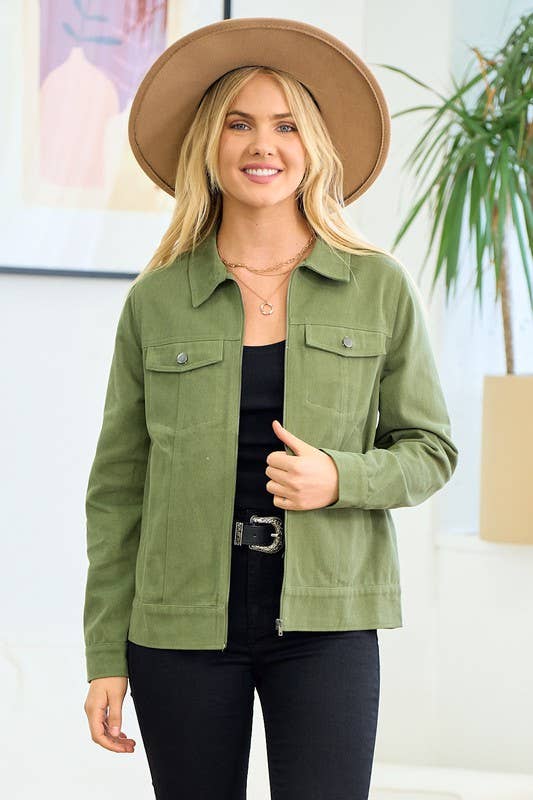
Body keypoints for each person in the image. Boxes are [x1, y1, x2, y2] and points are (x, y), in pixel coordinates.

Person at [82, 17, 459, 800]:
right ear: (208, 145)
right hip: (178, 622)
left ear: (313, 145)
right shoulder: (157, 300)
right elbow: (117, 491)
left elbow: (430, 449)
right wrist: (104, 655)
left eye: (286, 125)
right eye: (239, 123)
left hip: (326, 623)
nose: (264, 144)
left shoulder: (377, 285)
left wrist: (339, 477)